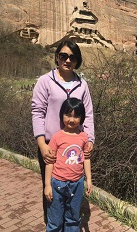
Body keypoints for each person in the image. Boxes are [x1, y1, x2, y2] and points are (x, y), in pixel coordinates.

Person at [32, 40, 95, 222]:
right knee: (51, 190)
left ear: (78, 61)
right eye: (64, 56)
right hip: (51, 147)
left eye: (73, 57)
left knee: (73, 189)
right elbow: (37, 112)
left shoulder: (82, 85)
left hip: (75, 146)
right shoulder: (45, 81)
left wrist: (90, 139)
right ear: (57, 57)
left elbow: (88, 114)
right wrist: (42, 144)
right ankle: (52, 224)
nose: (68, 60)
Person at [44, 97, 92, 232]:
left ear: (81, 117)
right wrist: (47, 185)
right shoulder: (57, 137)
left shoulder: (83, 137)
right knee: (55, 218)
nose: (72, 119)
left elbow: (86, 158)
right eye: (68, 115)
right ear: (62, 115)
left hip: (77, 183)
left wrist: (89, 179)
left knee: (73, 217)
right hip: (58, 183)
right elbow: (50, 162)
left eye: (76, 116)